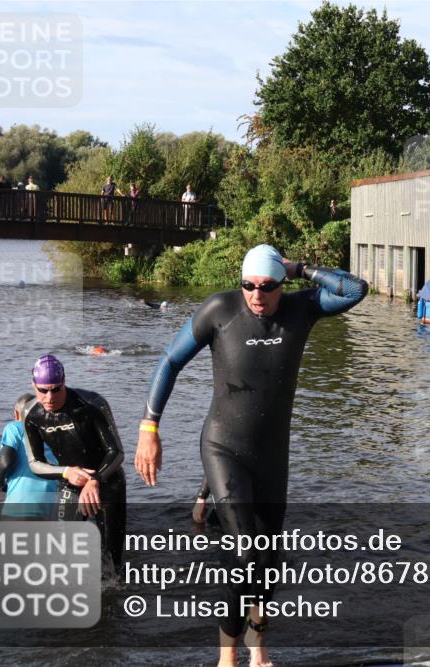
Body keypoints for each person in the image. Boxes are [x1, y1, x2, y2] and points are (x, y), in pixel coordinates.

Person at [134, 244, 367, 667]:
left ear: (281, 283)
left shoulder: (302, 309)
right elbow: (169, 362)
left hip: (271, 457)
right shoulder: (220, 310)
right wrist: (149, 428)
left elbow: (354, 289)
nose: (256, 295)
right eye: (248, 285)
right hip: (223, 446)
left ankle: (259, 654)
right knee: (244, 555)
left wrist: (299, 268)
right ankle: (228, 658)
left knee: (266, 565)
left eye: (266, 286)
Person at [22, 354, 127, 574]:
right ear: (33, 385)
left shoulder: (91, 404)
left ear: (64, 382)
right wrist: (66, 472)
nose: (49, 397)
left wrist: (95, 481)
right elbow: (35, 463)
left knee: (112, 561)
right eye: (43, 390)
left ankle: (113, 602)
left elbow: (116, 452)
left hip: (107, 482)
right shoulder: (31, 414)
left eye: (56, 389)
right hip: (70, 483)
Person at [0, 393, 58, 519]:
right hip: (48, 509)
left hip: (18, 507)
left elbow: (5, 461)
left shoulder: (15, 427)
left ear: (16, 414)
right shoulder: (55, 431)